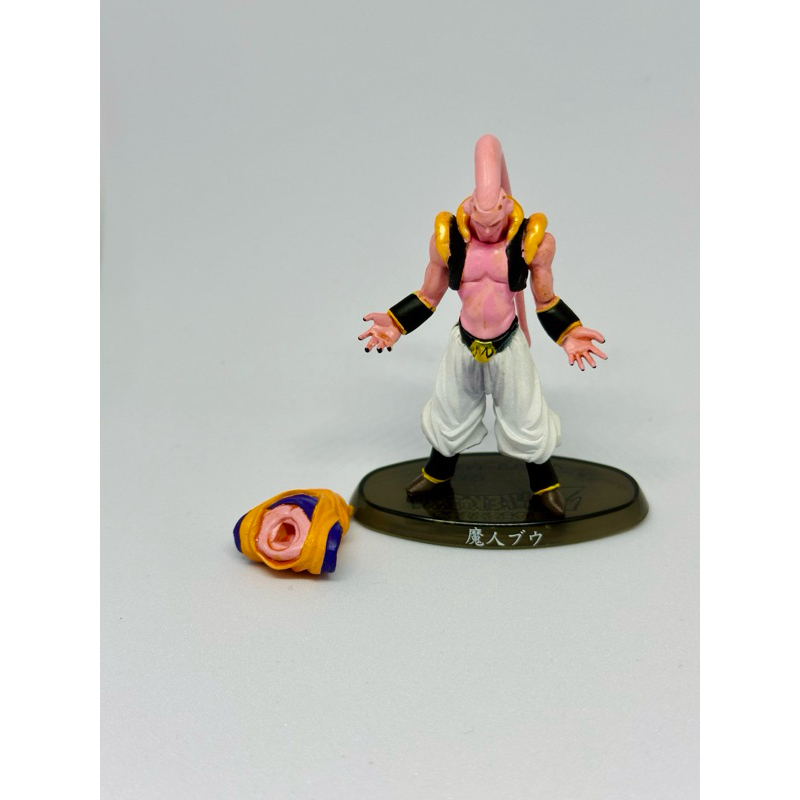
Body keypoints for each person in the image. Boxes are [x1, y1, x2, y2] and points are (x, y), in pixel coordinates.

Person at [358, 135, 606, 515]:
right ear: (470, 209)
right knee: (449, 413)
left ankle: (544, 482)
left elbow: (544, 299)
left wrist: (568, 333)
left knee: (526, 417)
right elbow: (428, 294)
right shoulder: (449, 242)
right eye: (480, 221)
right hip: (464, 342)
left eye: (495, 222)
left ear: (507, 206)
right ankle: (438, 473)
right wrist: (395, 323)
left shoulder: (533, 244)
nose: (488, 230)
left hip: (508, 344)